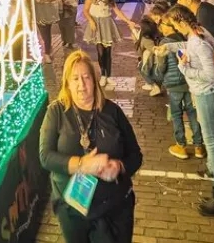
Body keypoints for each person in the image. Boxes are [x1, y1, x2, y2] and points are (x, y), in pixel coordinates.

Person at [39, 51, 141, 243]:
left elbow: (135, 155)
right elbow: (45, 156)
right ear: (67, 83)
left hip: (115, 207)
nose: (81, 85)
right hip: (72, 209)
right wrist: (80, 165)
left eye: (86, 77)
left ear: (94, 81)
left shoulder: (112, 111)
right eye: (75, 78)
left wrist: (119, 167)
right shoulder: (56, 112)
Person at [163, 5, 214, 216]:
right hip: (205, 93)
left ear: (181, 22)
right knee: (213, 143)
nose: (174, 28)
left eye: (173, 24)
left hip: (206, 94)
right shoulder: (198, 34)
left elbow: (210, 75)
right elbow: (193, 45)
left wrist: (185, 68)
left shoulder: (199, 41)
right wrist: (169, 48)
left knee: (213, 144)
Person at [150, 8, 202, 160]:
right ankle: (199, 146)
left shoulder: (165, 43)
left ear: (171, 26)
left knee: (177, 114)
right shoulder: (184, 38)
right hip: (188, 81)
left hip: (173, 84)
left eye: (164, 24)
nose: (161, 27)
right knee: (192, 113)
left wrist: (157, 77)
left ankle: (181, 145)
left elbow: (161, 67)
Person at [83, 0, 135, 88]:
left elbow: (117, 11)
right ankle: (103, 75)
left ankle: (109, 76)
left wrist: (128, 21)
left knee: (108, 52)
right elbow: (85, 10)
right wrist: (91, 21)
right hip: (97, 24)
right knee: (100, 52)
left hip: (107, 23)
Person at [34, 0, 61, 64]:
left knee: (47, 33)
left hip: (47, 9)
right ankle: (49, 50)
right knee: (43, 32)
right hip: (38, 9)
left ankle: (47, 53)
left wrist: (45, 0)